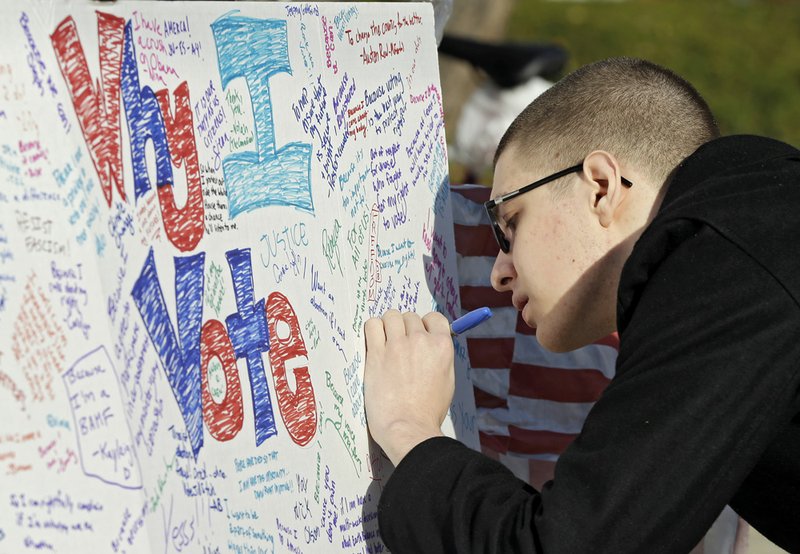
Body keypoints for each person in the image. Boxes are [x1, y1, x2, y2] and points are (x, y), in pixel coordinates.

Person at [363, 57, 800, 553]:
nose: (498, 271)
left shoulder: (729, 267)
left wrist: (408, 427)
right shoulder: (750, 229)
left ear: (599, 187)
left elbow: (566, 545)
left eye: (509, 225)